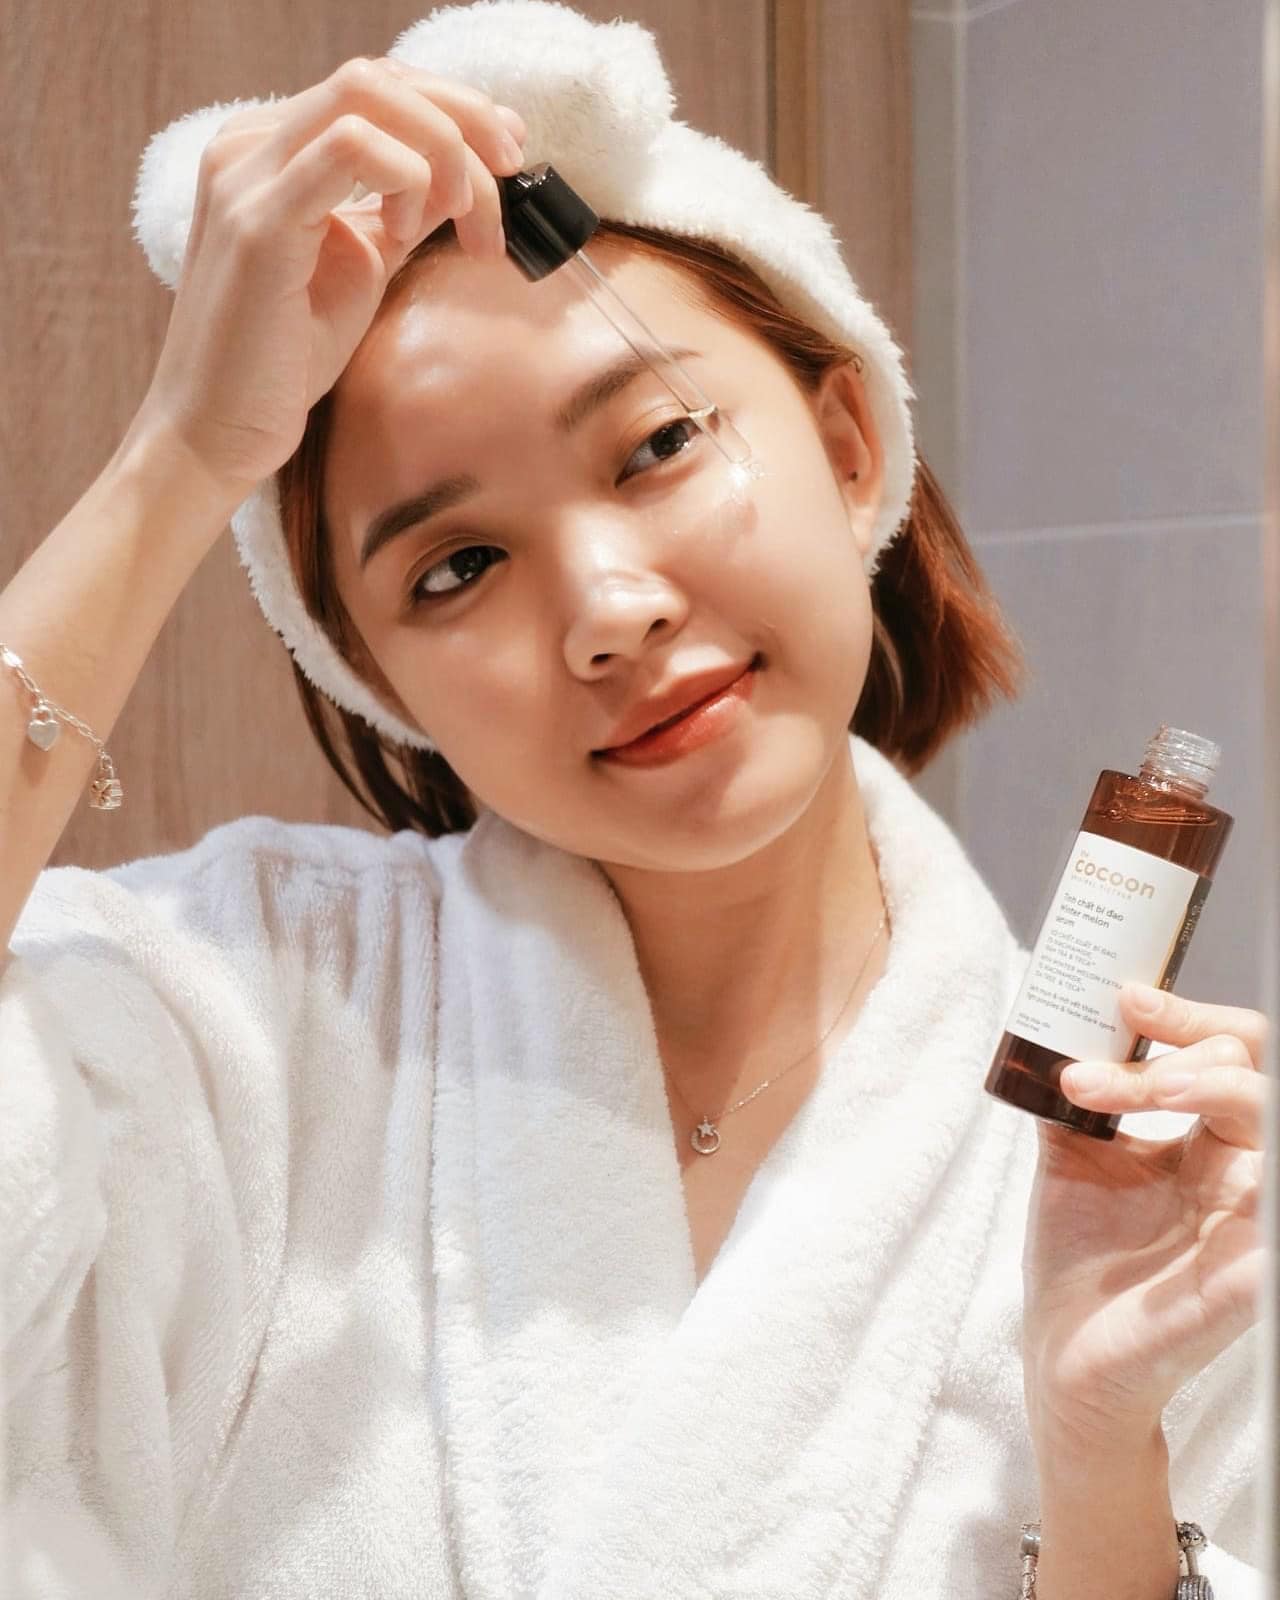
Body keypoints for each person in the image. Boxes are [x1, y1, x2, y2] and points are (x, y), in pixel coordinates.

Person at [0, 4, 1267, 1597]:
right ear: (383, 678)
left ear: (848, 445)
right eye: (456, 567)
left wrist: (1096, 1459)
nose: (608, 608)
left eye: (658, 444)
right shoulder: (234, 1026)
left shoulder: (1132, 1174)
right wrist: (184, 451)